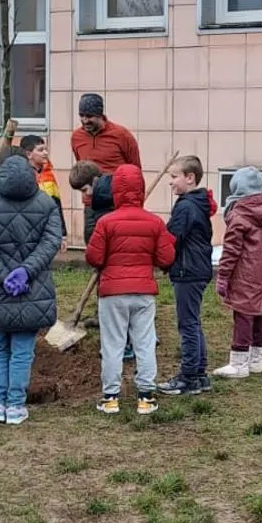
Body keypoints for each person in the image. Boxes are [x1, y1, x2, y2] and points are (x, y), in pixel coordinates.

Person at [0, 149, 63, 425]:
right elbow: (51, 242)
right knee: (23, 350)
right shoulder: (46, 203)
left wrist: (3, 276)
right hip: (33, 289)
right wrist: (25, 272)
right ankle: (16, 407)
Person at [85, 163, 175, 416]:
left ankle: (110, 397)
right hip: (143, 292)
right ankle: (146, 397)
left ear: (115, 191)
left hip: (112, 293)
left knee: (112, 344)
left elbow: (94, 257)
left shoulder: (106, 222)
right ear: (141, 189)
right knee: (144, 342)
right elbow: (166, 258)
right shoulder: (154, 222)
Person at [158, 155, 216, 395]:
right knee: (193, 321)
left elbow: (171, 239)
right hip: (197, 269)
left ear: (190, 178)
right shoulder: (197, 203)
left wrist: (159, 258)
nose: (170, 182)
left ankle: (188, 376)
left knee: (188, 324)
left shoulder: (186, 206)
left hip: (188, 270)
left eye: (174, 177)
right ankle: (199, 374)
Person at [213, 168, 262, 380]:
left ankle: (239, 362)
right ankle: (256, 357)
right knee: (259, 312)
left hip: (244, 272)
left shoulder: (239, 215)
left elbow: (231, 250)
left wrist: (222, 277)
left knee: (243, 315)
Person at [70, 94, 141, 244]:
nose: (85, 120)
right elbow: (81, 167)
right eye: (81, 116)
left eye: (89, 116)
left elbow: (135, 170)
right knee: (92, 242)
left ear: (100, 114)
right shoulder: (76, 137)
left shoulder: (122, 135)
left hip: (115, 202)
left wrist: (135, 201)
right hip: (90, 202)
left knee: (116, 243)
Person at [20, 134, 67, 245]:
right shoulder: (21, 174)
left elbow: (56, 205)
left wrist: (62, 234)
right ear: (29, 154)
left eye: (46, 149)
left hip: (46, 231)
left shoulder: (49, 175)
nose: (45, 153)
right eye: (41, 150)